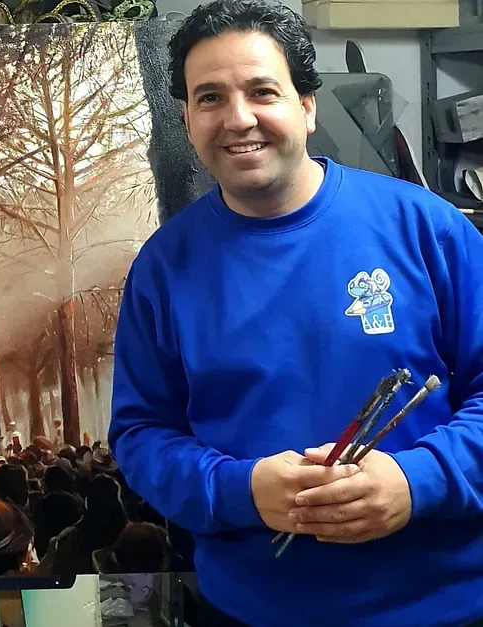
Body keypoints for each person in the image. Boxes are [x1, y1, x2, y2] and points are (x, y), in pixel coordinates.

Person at [107, 1, 483, 626]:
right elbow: (142, 434)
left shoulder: (426, 228)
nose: (238, 118)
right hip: (253, 609)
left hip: (446, 603)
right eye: (209, 98)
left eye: (263, 91)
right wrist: (241, 490)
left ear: (306, 105)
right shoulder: (164, 267)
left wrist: (419, 481)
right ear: (186, 118)